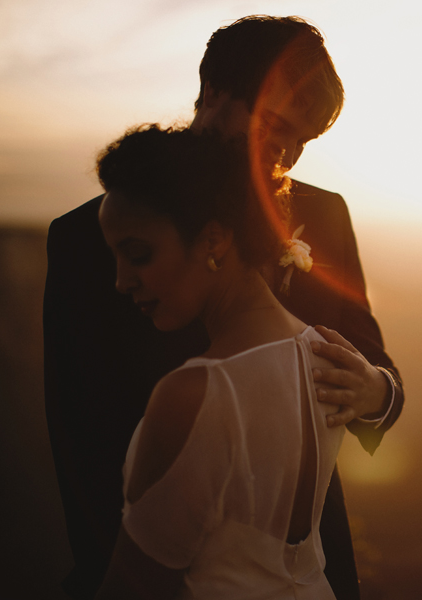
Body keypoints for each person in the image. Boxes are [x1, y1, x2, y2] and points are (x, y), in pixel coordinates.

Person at [43, 16, 403, 600]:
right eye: (274, 126)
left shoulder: (326, 217)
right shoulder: (85, 239)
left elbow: (376, 370)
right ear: (211, 94)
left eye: (302, 140)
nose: (286, 154)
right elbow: (83, 439)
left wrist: (376, 392)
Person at [92, 123, 344, 598]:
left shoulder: (195, 394)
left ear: (213, 240)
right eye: (116, 258)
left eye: (139, 254)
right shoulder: (323, 354)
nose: (122, 281)